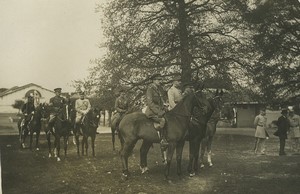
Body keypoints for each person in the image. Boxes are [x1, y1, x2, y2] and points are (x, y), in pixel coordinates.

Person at [145, 73, 168, 148]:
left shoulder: (158, 89)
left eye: (160, 79)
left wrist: (165, 106)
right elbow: (150, 103)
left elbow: (160, 101)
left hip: (159, 110)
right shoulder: (150, 89)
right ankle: (162, 140)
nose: (160, 81)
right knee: (162, 120)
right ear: (153, 80)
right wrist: (158, 112)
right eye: (158, 80)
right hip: (152, 112)